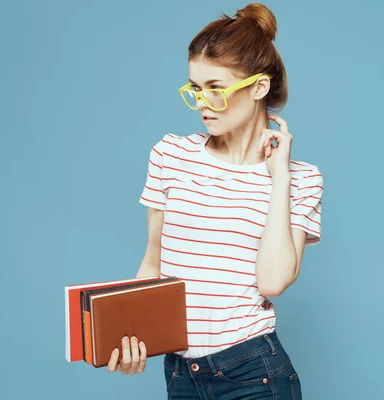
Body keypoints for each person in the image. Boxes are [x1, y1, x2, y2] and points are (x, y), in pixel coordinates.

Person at [107, 3, 323, 399]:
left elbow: (272, 282)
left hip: (253, 372)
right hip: (181, 374)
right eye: (195, 88)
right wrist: (130, 336)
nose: (203, 103)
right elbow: (153, 264)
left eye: (217, 89)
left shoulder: (302, 180)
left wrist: (279, 178)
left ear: (258, 88)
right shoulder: (170, 155)